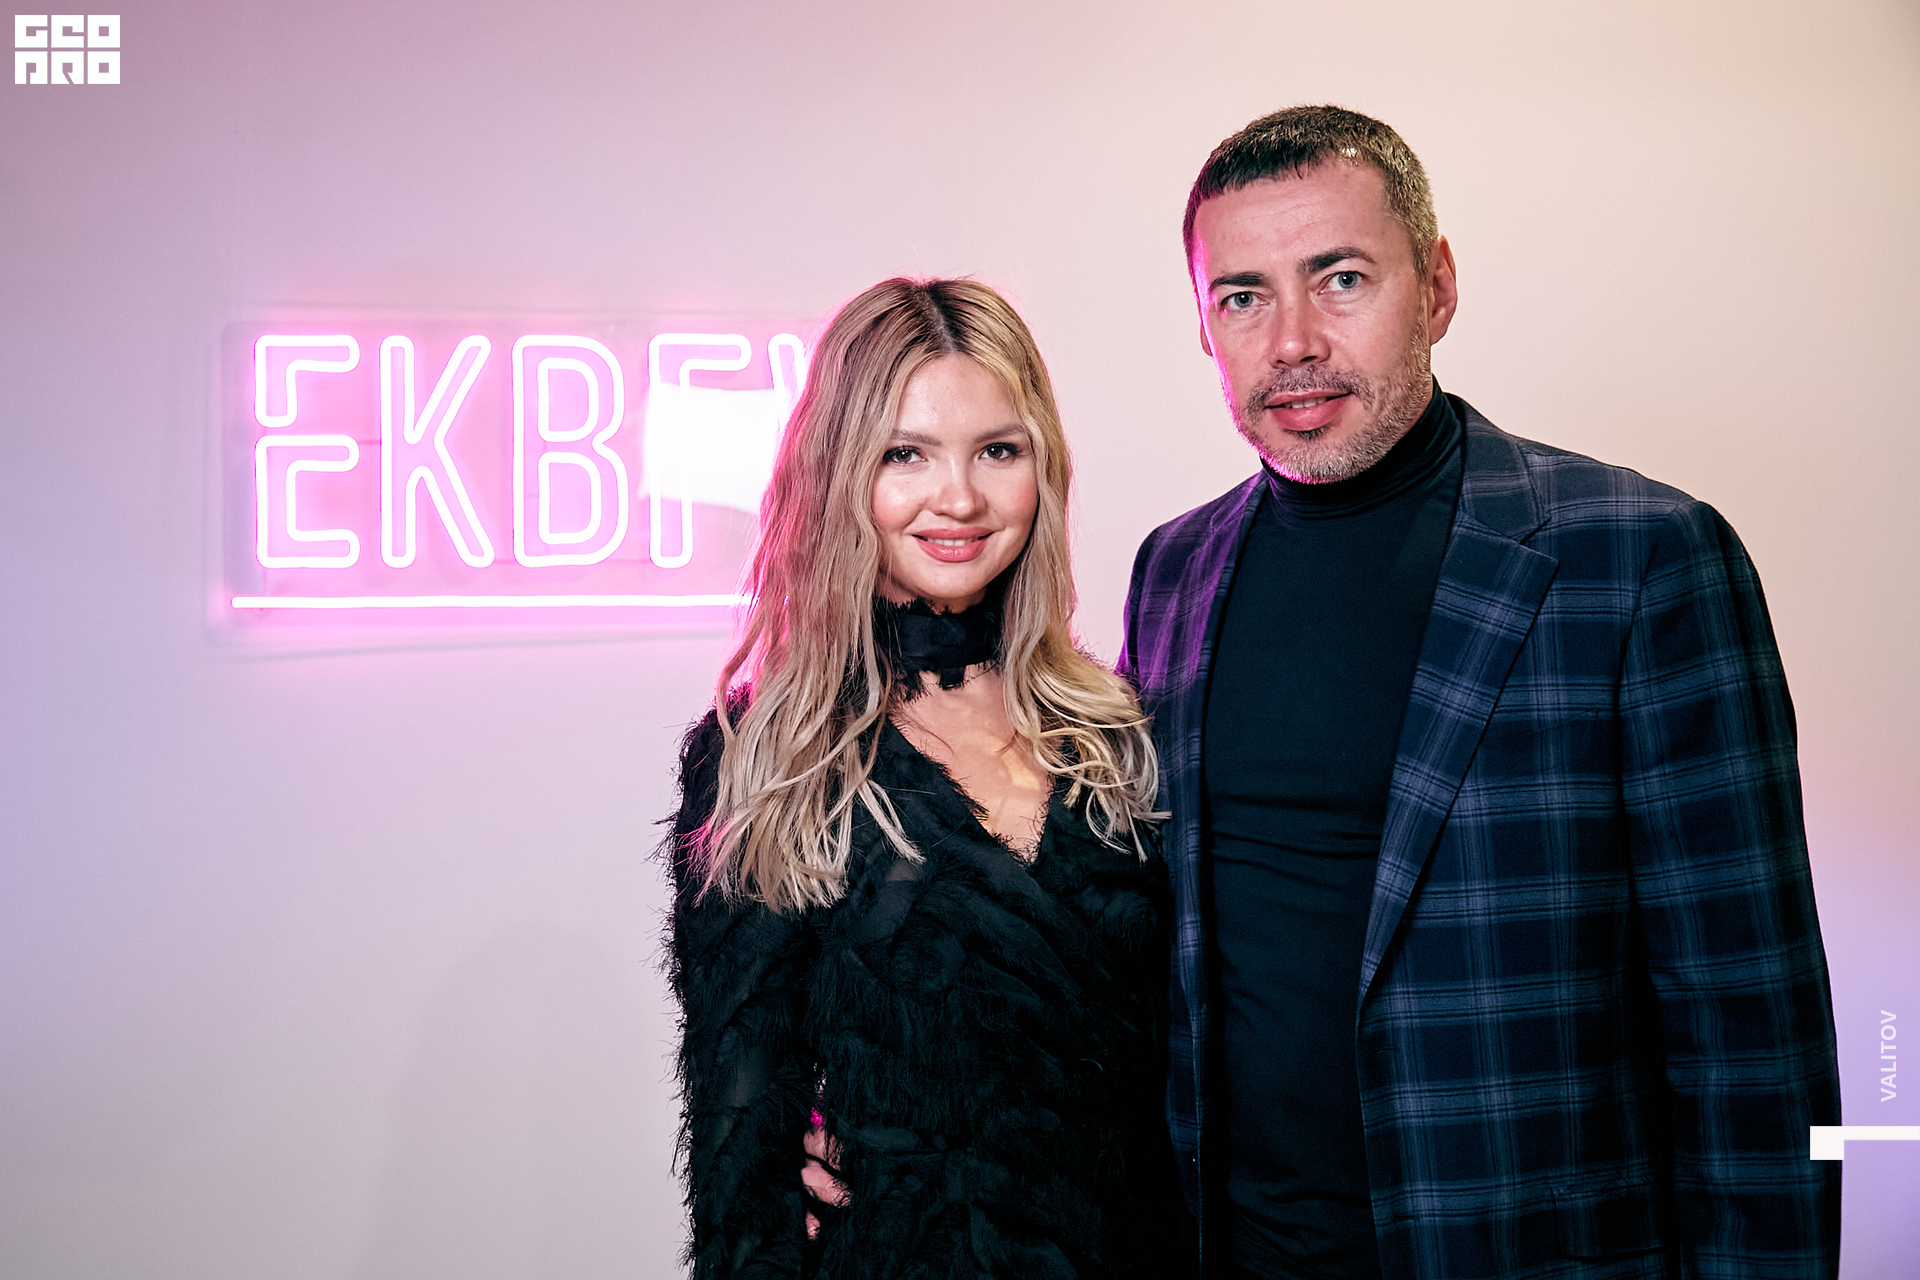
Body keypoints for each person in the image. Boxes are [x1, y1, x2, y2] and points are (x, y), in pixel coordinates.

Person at [1119, 106, 1841, 1279]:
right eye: (1243, 297)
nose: (1293, 341)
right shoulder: (1173, 570)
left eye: (1340, 279)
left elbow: (1758, 1035)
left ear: (1439, 286)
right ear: (1205, 326)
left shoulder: (1641, 556)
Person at [670, 277, 1187, 1278]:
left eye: (998, 450)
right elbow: (743, 1183)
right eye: (904, 454)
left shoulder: (1120, 728)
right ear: (839, 472)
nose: (959, 498)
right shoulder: (768, 759)